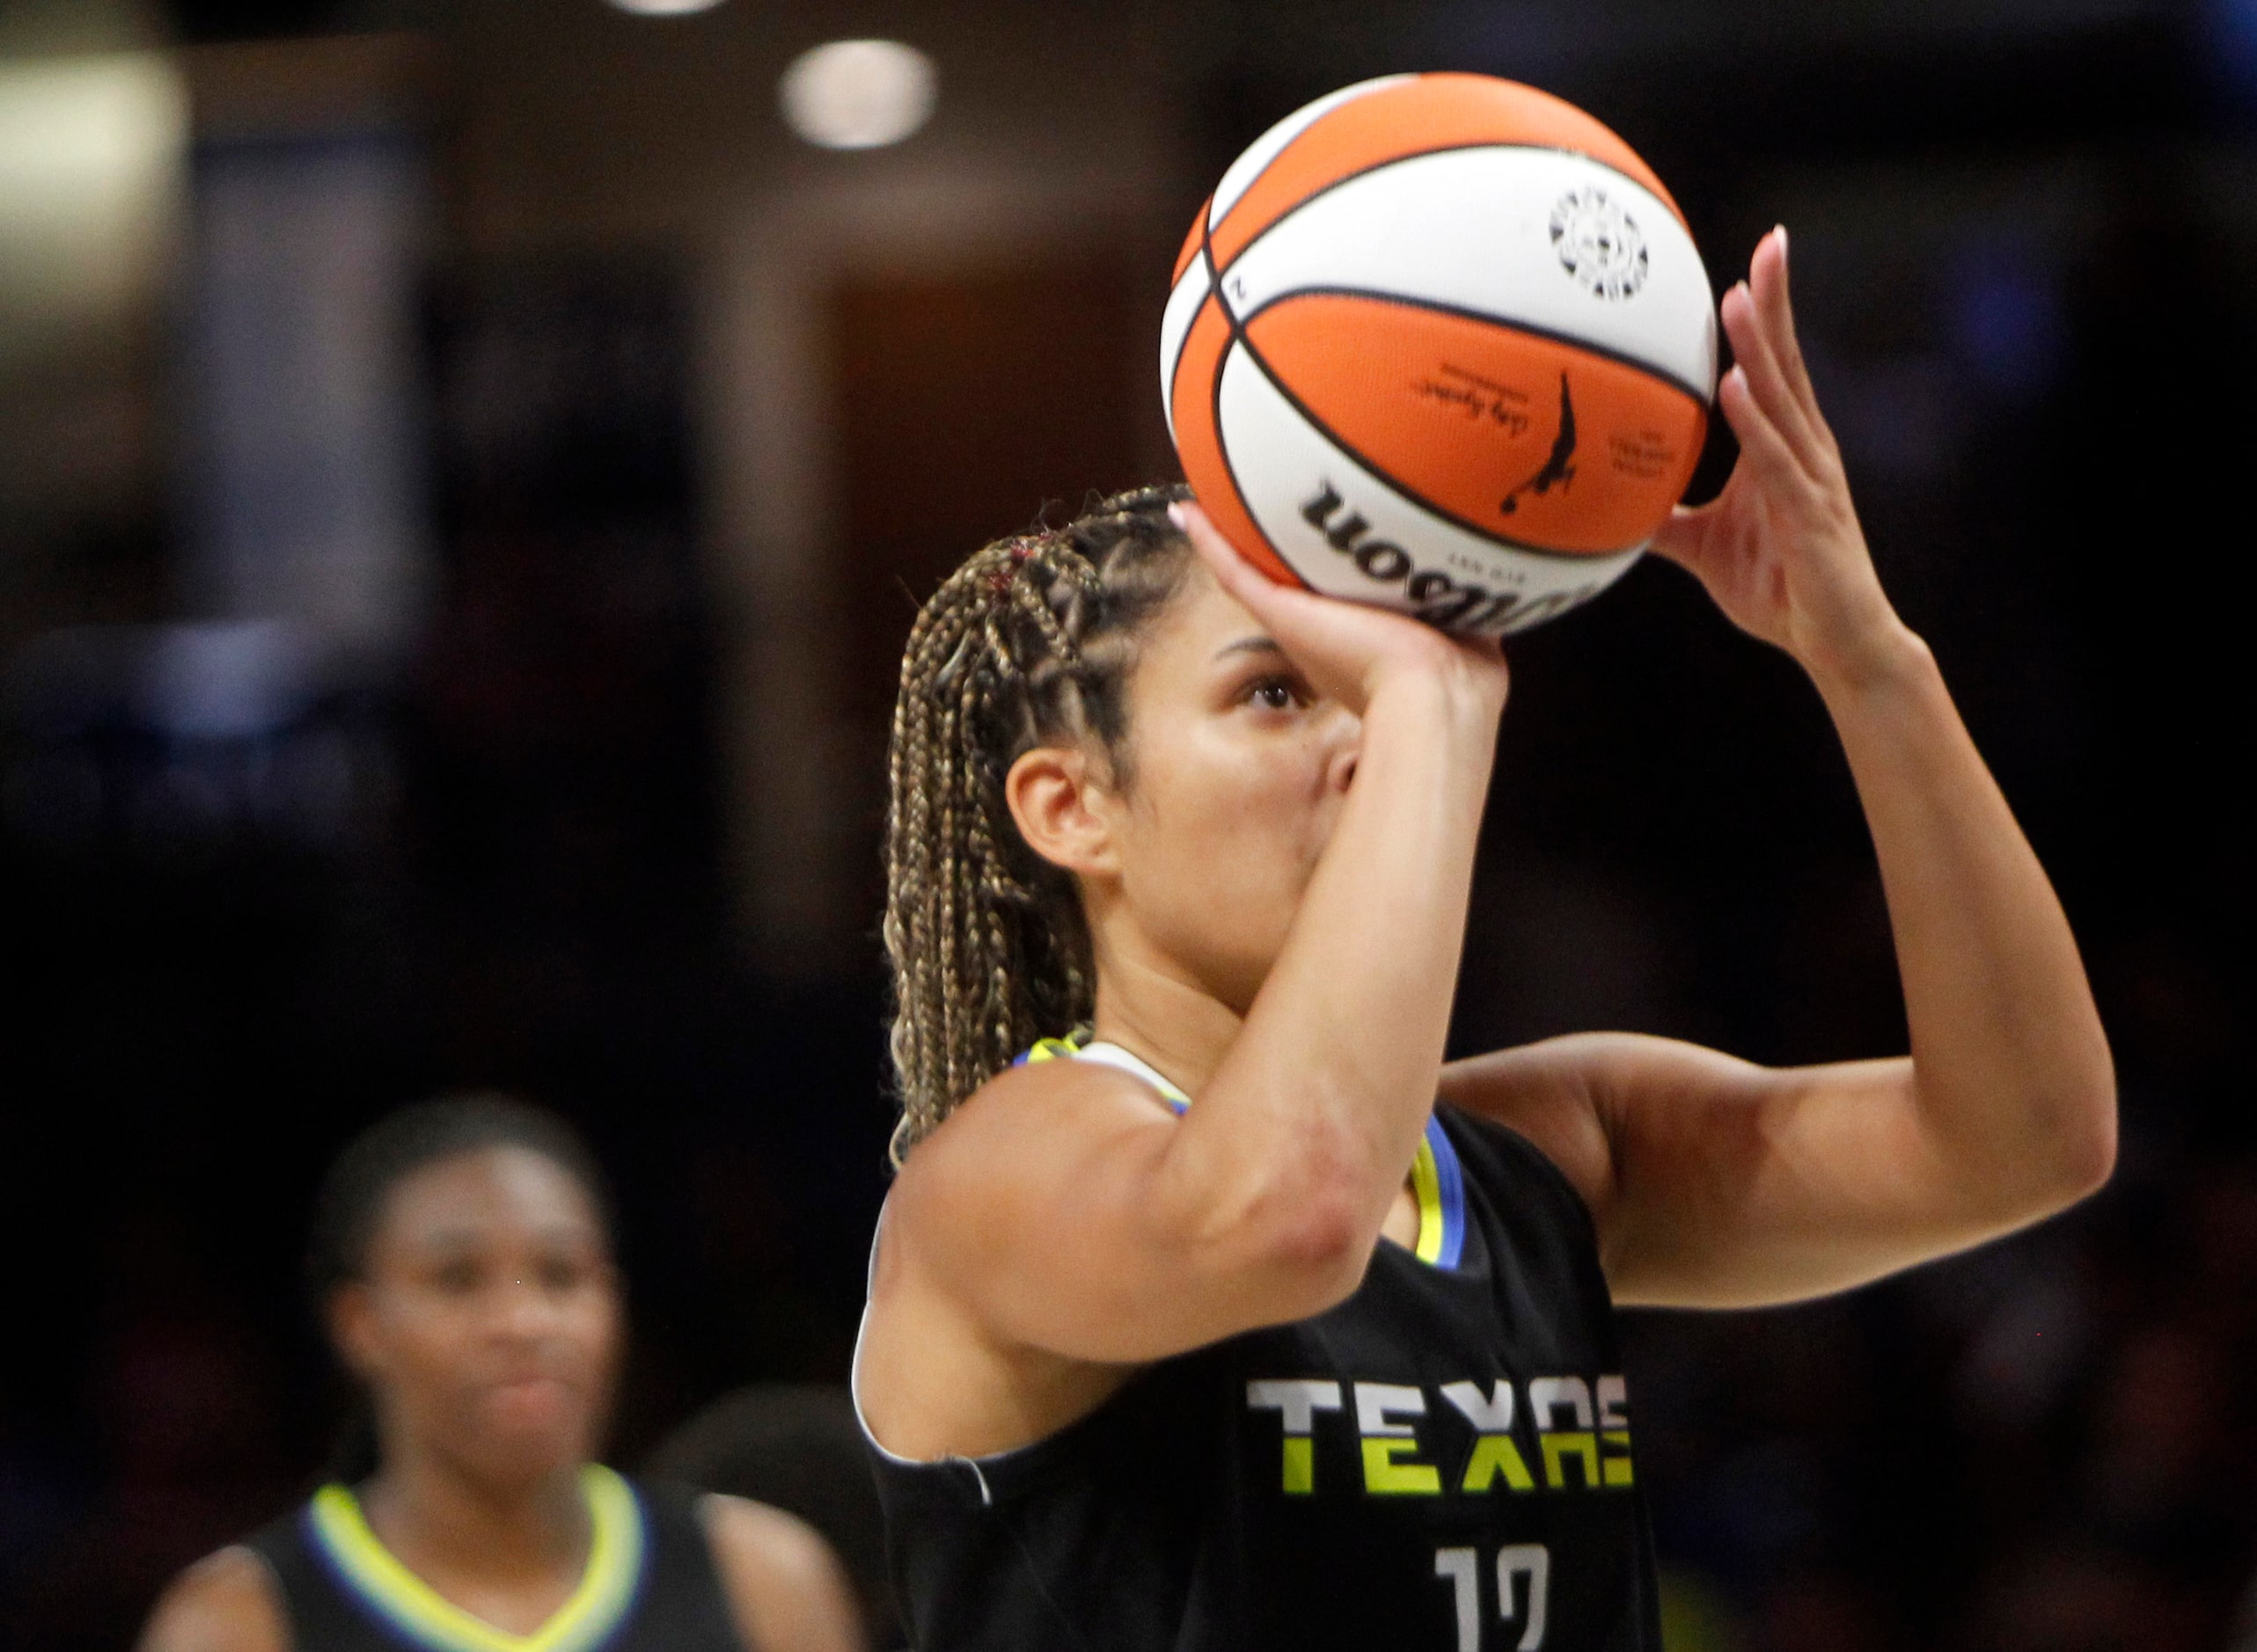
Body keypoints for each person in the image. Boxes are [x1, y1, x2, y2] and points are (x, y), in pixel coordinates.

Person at [853, 228, 2116, 1650]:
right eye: (1279, 691)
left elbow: (2031, 1134)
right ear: (1072, 804)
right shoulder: (1003, 1177)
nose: (1366, 732)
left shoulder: (1553, 1147)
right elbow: (1289, 1212)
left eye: (1379, 683)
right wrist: (1437, 704)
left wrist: (1869, 659)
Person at [139, 1096, 864, 1652]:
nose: (523, 1323)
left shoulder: (762, 1577)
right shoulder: (241, 1618)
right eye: (457, 1280)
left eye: (560, 1275)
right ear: (361, 1325)